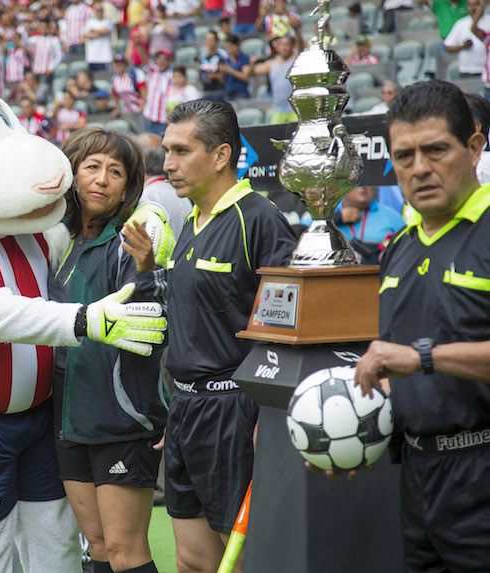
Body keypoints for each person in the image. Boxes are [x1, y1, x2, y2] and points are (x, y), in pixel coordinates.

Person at [353, 80, 490, 572]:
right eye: (404, 155)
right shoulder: (400, 248)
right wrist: (347, 435)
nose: (420, 169)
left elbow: (413, 359)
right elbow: (395, 371)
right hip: (416, 477)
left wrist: (424, 357)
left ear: (474, 147)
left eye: (436, 150)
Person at [161, 99, 296, 573]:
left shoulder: (258, 219)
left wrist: (267, 414)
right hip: (185, 412)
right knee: (194, 562)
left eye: (181, 150)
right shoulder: (191, 223)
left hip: (234, 412)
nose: (167, 163)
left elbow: (286, 325)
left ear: (221, 155)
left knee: (243, 559)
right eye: (165, 150)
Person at [50, 128, 166, 573]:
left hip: (121, 421)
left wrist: (147, 271)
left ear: (126, 189)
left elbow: (152, 327)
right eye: (92, 167)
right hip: (66, 422)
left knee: (124, 551)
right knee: (96, 546)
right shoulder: (51, 243)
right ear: (72, 175)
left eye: (115, 172)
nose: (101, 179)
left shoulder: (129, 244)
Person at [332, 186, 406, 264]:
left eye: (367, 182)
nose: (362, 187)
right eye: (357, 183)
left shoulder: (392, 216)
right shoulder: (330, 214)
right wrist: (338, 217)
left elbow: (409, 250)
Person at [251, 33, 304, 124]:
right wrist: (252, 63)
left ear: (292, 46)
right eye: (282, 45)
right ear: (277, 48)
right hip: (278, 110)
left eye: (287, 45)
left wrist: (296, 30)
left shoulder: (295, 60)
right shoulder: (271, 63)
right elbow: (253, 73)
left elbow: (301, 48)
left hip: (294, 110)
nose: (284, 48)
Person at [444, 0, 487, 80]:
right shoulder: (461, 23)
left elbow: (473, 29)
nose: (473, 8)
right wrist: (462, 46)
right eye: (470, 5)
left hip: (486, 72)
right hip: (467, 72)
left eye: (476, 5)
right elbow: (448, 46)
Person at [143, 51, 173, 136]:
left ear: (169, 62)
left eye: (165, 60)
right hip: (150, 118)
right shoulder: (152, 72)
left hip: (164, 120)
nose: (161, 62)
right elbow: (144, 59)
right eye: (159, 59)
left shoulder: (172, 77)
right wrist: (139, 44)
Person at [83, 3, 115, 72]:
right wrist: (98, 33)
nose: (99, 11)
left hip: (105, 57)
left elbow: (105, 31)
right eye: (97, 10)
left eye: (100, 10)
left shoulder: (108, 21)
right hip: (92, 57)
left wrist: (93, 30)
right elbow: (85, 34)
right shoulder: (90, 22)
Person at [219, 35, 252, 100]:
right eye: (227, 46)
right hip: (228, 93)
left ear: (237, 45)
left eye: (230, 46)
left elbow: (245, 77)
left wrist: (229, 70)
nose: (228, 49)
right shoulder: (226, 60)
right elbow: (223, 81)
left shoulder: (244, 58)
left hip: (240, 93)